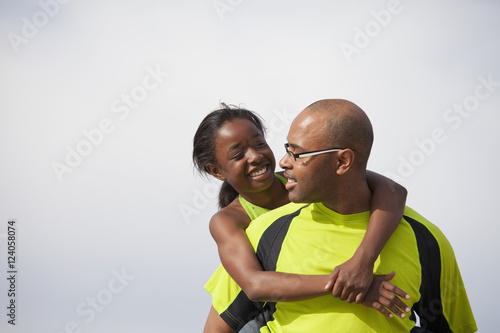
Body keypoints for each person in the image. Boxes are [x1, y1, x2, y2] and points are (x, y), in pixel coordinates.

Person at [204, 99, 477, 332]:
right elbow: (253, 286)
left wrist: (363, 261)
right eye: (238, 154)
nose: (256, 157)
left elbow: (391, 189)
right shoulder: (250, 229)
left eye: (260, 143)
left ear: (342, 162)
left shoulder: (304, 182)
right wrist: (346, 285)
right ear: (217, 171)